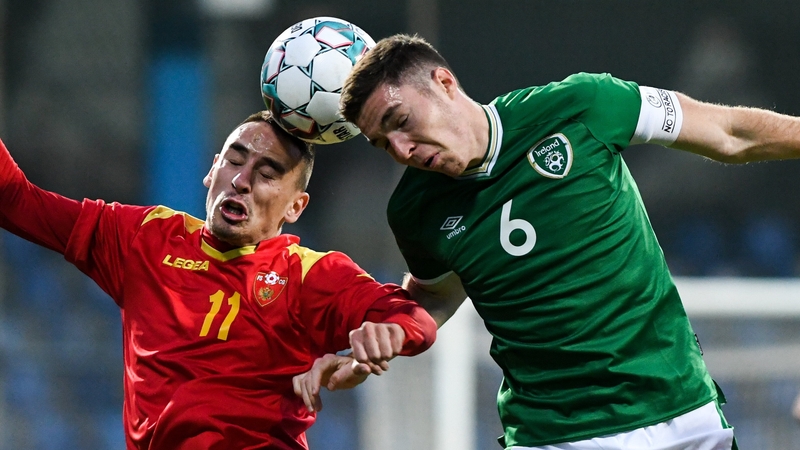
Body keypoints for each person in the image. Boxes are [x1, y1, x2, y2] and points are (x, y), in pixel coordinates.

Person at [319, 33, 800, 450]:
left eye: (401, 121)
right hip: (553, 433)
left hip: (678, 412)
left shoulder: (580, 106)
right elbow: (437, 293)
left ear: (444, 83)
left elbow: (729, 133)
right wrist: (388, 332)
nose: (402, 150)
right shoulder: (414, 211)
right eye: (383, 144)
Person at [0, 110, 437, 450]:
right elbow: (15, 201)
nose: (242, 181)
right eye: (234, 160)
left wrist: (387, 333)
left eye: (267, 174)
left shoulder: (309, 275)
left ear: (295, 207)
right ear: (213, 169)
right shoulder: (146, 238)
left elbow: (415, 319)